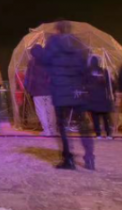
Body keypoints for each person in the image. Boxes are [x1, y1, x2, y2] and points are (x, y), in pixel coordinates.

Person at [42, 21, 95, 170]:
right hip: (78, 89)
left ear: (58, 30)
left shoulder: (53, 42)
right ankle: (89, 158)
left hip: (60, 89)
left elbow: (46, 61)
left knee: (63, 126)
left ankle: (69, 160)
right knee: (83, 124)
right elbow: (86, 65)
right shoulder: (78, 43)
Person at [25, 44, 55, 136]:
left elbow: (29, 77)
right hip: (50, 90)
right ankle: (52, 129)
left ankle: (46, 130)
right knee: (51, 110)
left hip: (37, 91)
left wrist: (28, 89)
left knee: (41, 111)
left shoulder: (32, 62)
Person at [86, 56, 114, 140]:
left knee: (95, 117)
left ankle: (98, 134)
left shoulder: (88, 72)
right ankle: (108, 133)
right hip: (103, 97)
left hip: (93, 97)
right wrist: (110, 94)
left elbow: (85, 84)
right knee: (105, 117)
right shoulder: (104, 71)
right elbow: (109, 84)